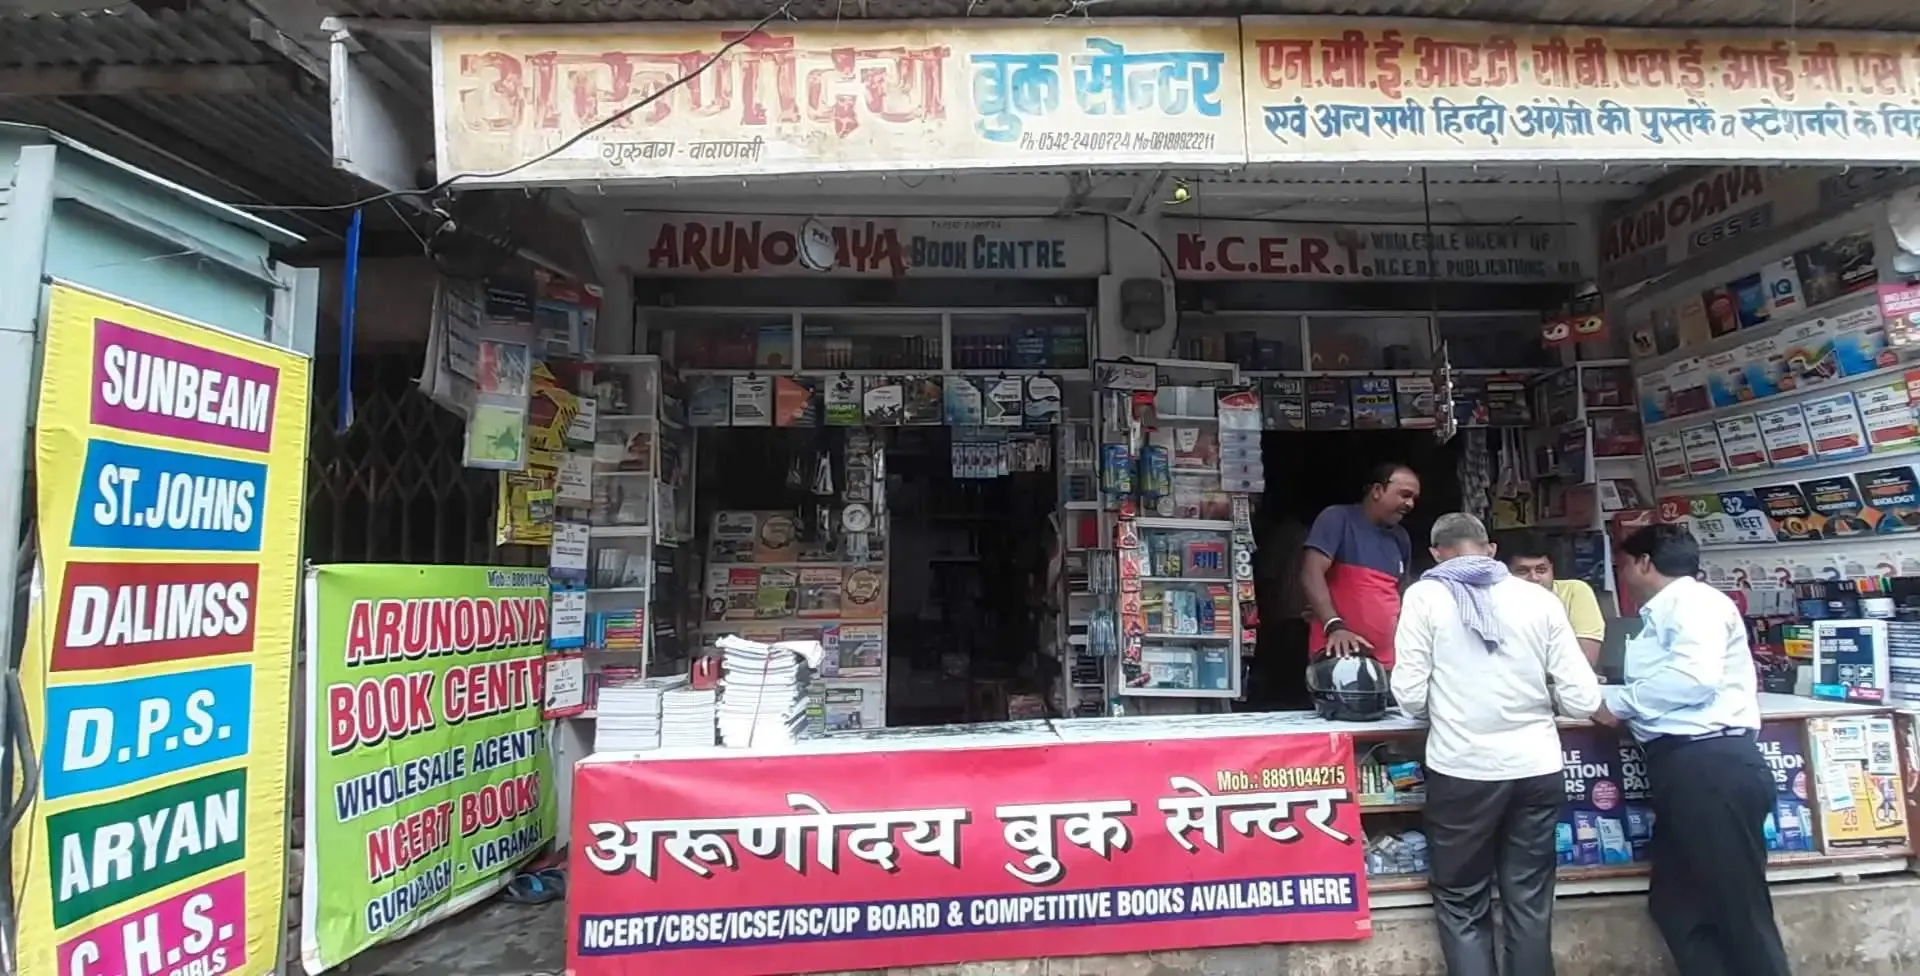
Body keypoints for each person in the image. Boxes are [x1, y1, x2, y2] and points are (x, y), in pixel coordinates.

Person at [1392, 513, 1602, 976]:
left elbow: (1408, 696)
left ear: (1436, 554)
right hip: (1537, 768)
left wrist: (1449, 702)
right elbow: (1583, 699)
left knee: (1462, 898)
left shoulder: (1425, 596)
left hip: (1463, 771)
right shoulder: (1538, 598)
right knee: (1529, 897)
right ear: (1490, 550)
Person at [1595, 524, 1789, 976]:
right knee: (1676, 904)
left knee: (1737, 910)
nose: (1623, 578)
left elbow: (1693, 678)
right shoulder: (1664, 612)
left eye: (1624, 566)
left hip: (1711, 766)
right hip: (1685, 769)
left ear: (1645, 563)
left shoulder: (1693, 603)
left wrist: (1620, 703)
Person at [1302, 463, 1419, 668]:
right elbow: (1311, 572)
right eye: (1405, 495)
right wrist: (1334, 626)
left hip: (1388, 662)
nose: (1410, 504)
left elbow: (1401, 592)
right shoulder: (1337, 519)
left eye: (1414, 499)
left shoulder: (1401, 537)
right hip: (1339, 656)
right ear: (1377, 490)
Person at [1501, 531, 1607, 666]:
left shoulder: (1574, 591)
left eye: (1541, 570)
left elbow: (1584, 661)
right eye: (1522, 571)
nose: (1534, 578)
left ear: (1551, 568)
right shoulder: (1496, 600)